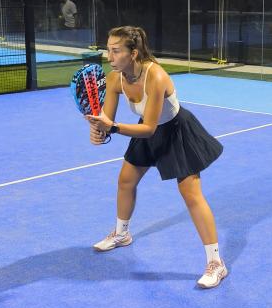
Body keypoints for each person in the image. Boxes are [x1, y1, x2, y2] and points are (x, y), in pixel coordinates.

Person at [86, 26, 227, 289]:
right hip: (145, 130)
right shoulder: (115, 79)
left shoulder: (156, 76)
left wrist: (111, 128)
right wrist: (98, 130)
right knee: (125, 181)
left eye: (116, 51)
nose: (109, 56)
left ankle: (216, 263)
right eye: (108, 50)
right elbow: (107, 120)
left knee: (191, 194)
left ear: (133, 53)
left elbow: (149, 128)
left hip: (177, 131)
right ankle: (122, 234)